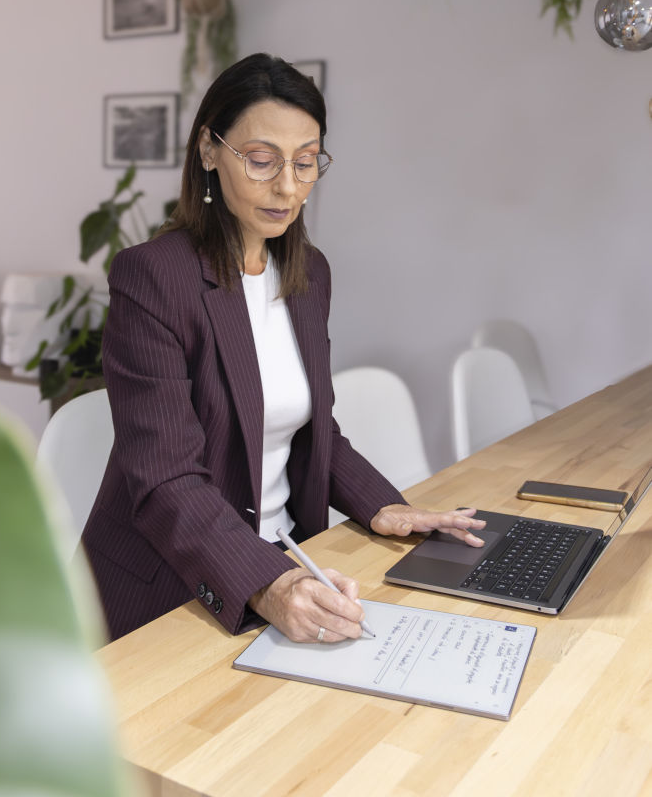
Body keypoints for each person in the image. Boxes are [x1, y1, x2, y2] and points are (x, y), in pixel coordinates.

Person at [82, 54, 485, 643]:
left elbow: (311, 426)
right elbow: (167, 478)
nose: (288, 186)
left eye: (305, 162)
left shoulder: (308, 274)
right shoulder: (152, 277)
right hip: (173, 582)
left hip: (287, 553)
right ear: (209, 151)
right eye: (263, 160)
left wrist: (383, 506)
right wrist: (270, 583)